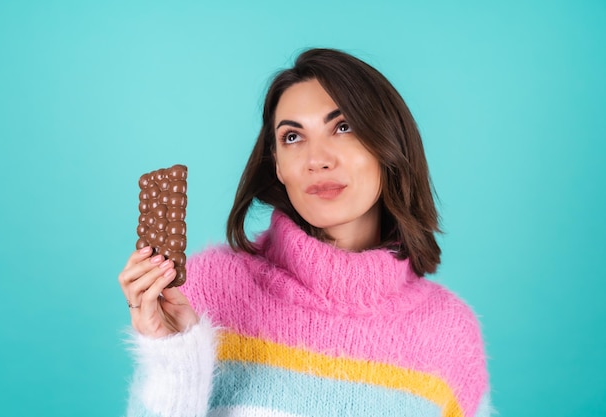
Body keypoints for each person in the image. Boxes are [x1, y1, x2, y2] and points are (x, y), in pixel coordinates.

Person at [118, 48, 491, 417]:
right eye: (293, 137)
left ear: (388, 145)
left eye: (343, 128)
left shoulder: (449, 334)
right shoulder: (202, 293)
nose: (317, 159)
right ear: (277, 164)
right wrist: (174, 358)